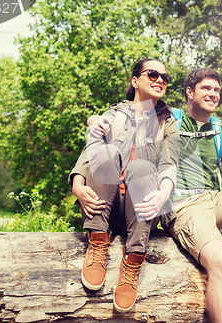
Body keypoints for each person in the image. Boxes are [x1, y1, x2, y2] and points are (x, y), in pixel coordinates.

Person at [89, 67, 222, 323]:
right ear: (189, 92)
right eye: (206, 88)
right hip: (182, 206)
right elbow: (125, 114)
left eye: (217, 90)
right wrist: (94, 119)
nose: (213, 94)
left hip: (214, 201)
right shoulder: (169, 118)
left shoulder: (221, 129)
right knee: (220, 263)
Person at [69, 58, 179, 312]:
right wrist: (77, 183)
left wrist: (164, 193)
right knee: (106, 151)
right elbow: (91, 150)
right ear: (135, 80)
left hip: (141, 211)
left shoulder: (168, 123)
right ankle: (97, 242)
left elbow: (169, 162)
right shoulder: (113, 115)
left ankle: (133, 259)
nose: (160, 80)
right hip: (104, 206)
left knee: (142, 167)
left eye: (165, 77)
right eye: (153, 74)